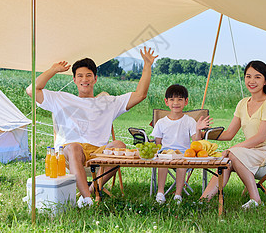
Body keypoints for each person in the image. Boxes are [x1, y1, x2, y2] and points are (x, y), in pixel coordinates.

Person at [26, 47, 158, 208]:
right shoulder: (61, 99)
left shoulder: (108, 103)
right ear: (74, 79)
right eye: (80, 76)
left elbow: (140, 95)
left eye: (89, 75)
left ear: (95, 78)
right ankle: (88, 199)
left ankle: (90, 190)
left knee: (120, 146)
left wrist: (147, 65)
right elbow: (32, 90)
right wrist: (54, 70)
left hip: (98, 152)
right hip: (70, 153)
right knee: (74, 147)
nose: (84, 79)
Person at [200, 60, 266, 209]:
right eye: (248, 76)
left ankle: (255, 199)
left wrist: (232, 149)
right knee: (227, 160)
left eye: (257, 77)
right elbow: (228, 134)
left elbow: (261, 137)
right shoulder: (242, 103)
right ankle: (204, 200)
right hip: (252, 152)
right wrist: (204, 134)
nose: (251, 81)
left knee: (232, 154)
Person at [152, 84, 212, 204]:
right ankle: (160, 193)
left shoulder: (189, 121)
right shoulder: (161, 122)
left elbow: (196, 143)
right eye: (172, 99)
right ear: (166, 102)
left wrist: (198, 129)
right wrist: (157, 153)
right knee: (162, 160)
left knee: (182, 163)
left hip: (184, 153)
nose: (176, 103)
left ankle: (178, 194)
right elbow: (158, 144)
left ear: (186, 101)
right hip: (166, 153)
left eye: (180, 99)